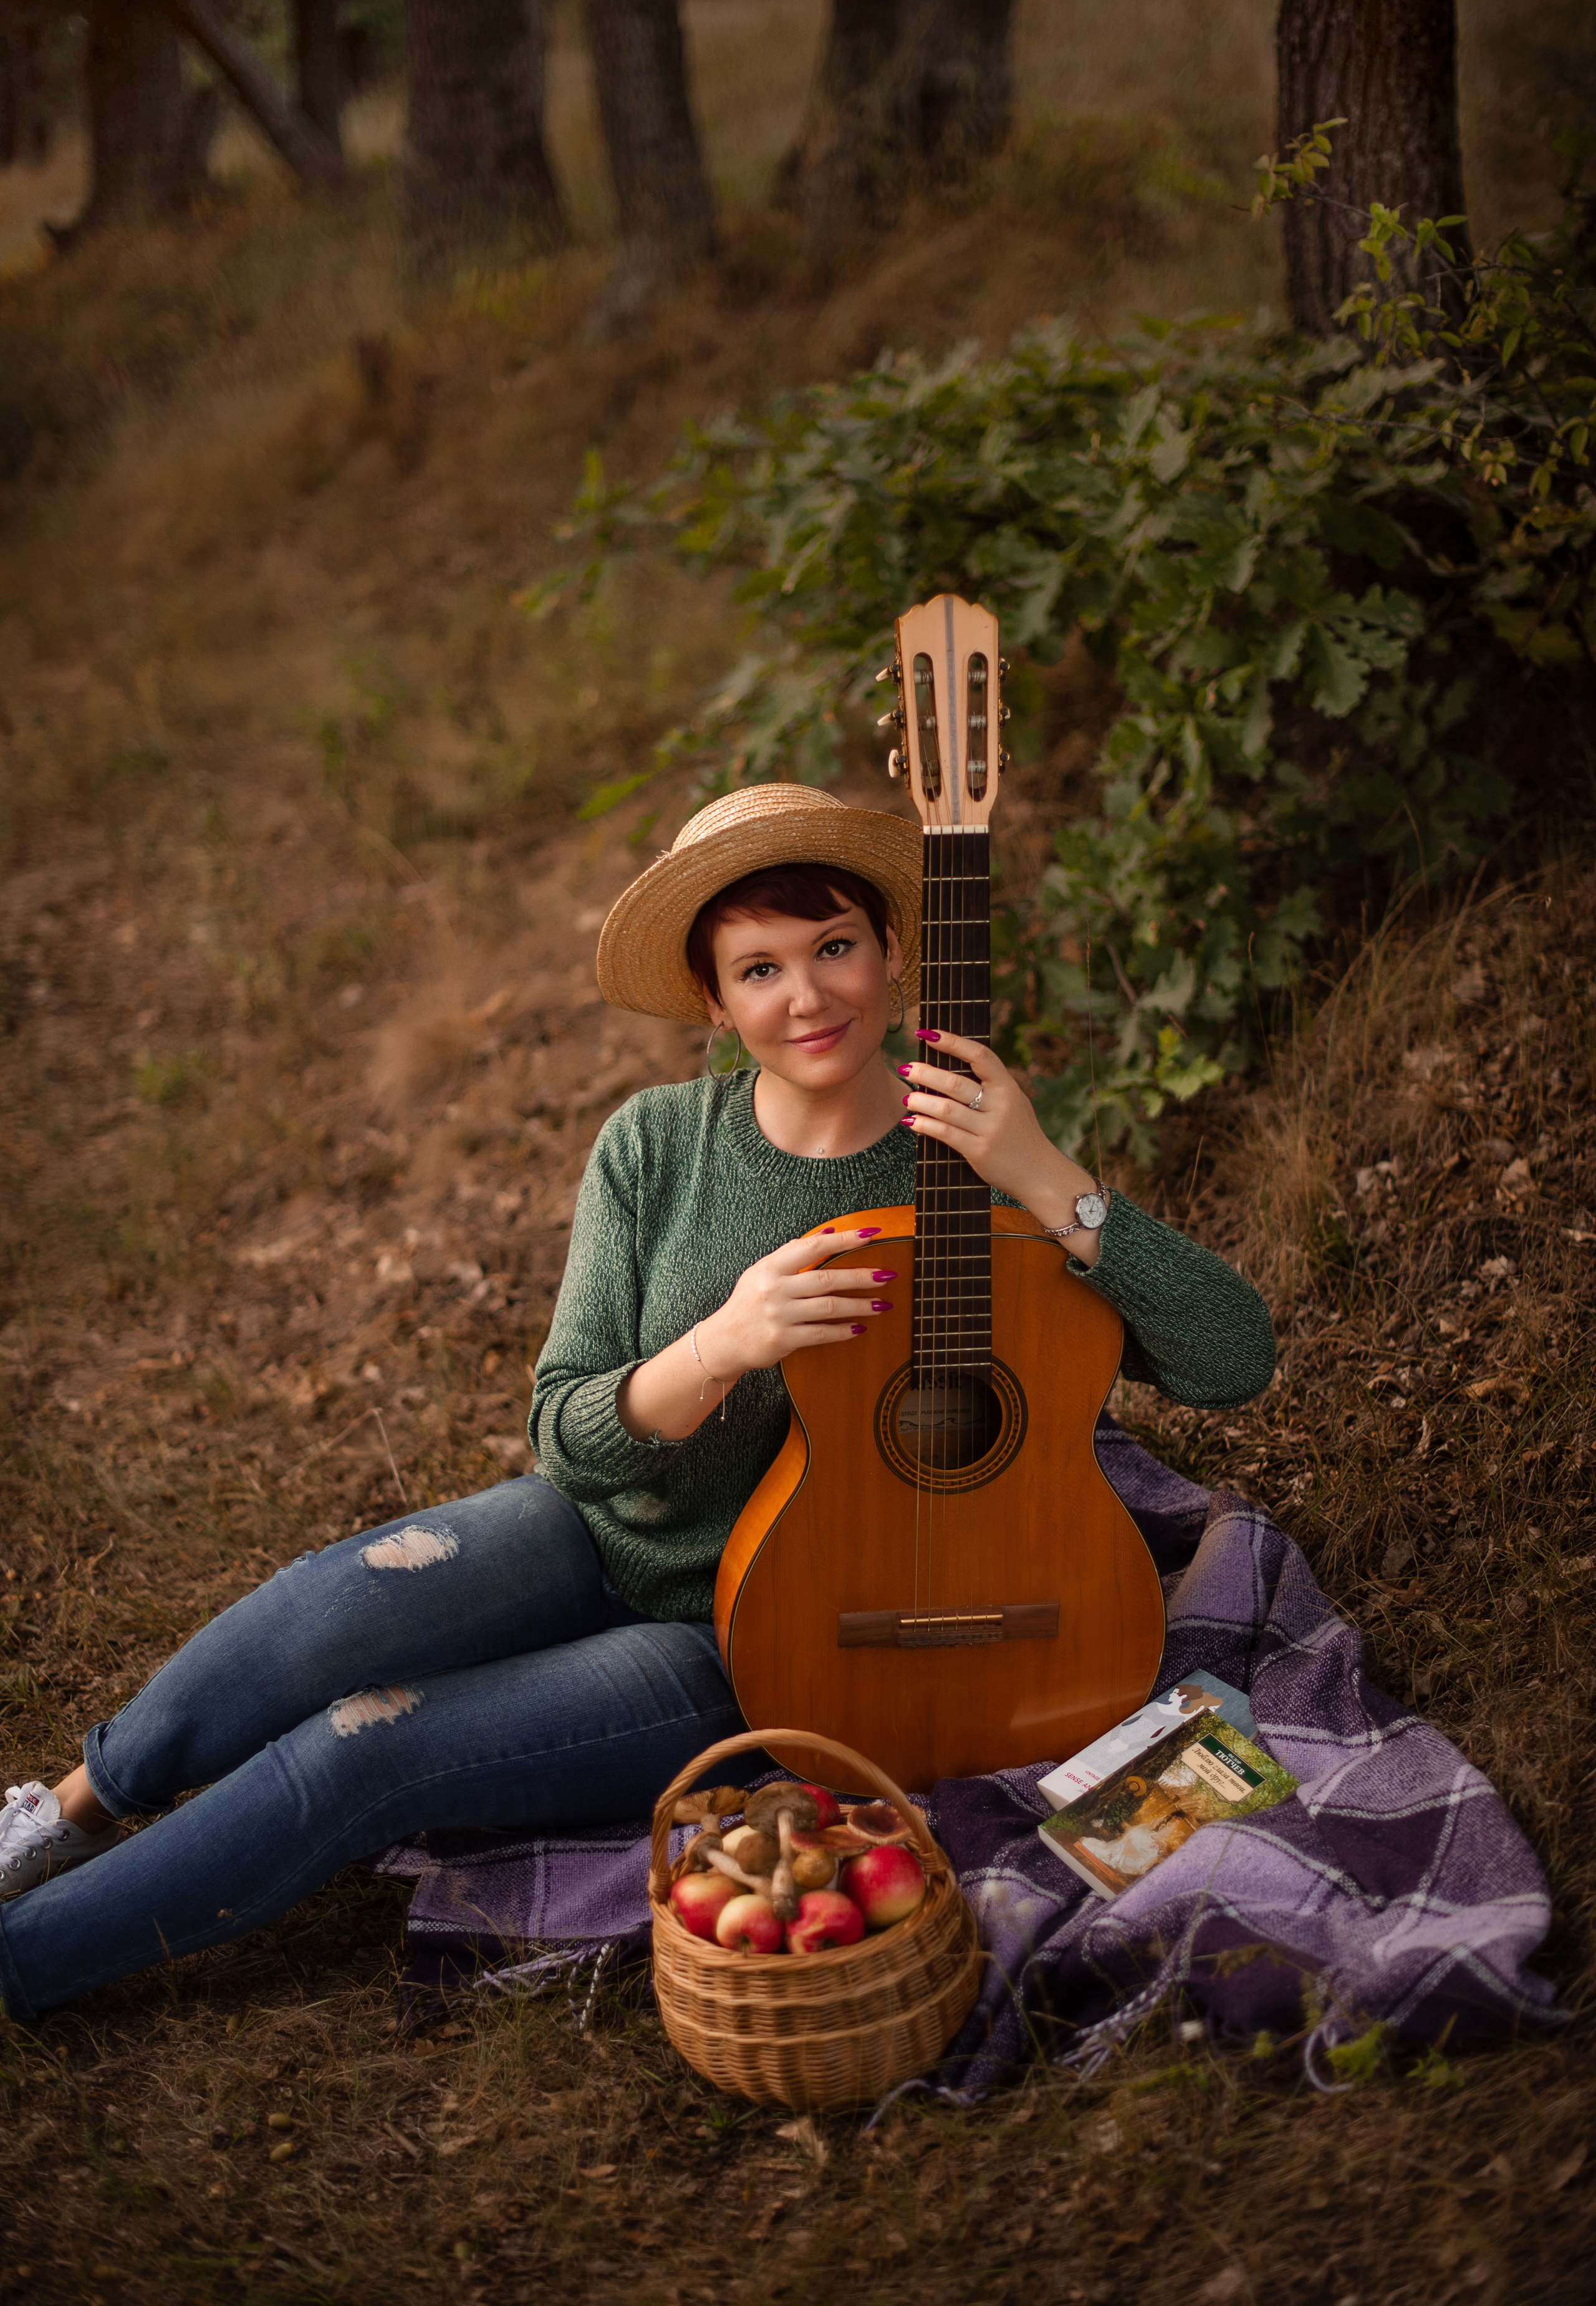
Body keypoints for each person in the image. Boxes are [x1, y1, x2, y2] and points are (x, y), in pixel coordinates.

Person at [0, 784, 1275, 2020]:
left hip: (758, 1642)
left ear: (892, 952)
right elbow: (563, 1426)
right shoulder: (654, 1146)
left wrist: (1045, 1173)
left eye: (833, 946)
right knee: (326, 1607)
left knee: (365, 1743)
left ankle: (27, 1956)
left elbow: (1231, 1359)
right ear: (717, 1005)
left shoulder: (978, 1170)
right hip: (595, 1527)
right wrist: (722, 1343)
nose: (808, 994)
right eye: (759, 969)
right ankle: (68, 1813)